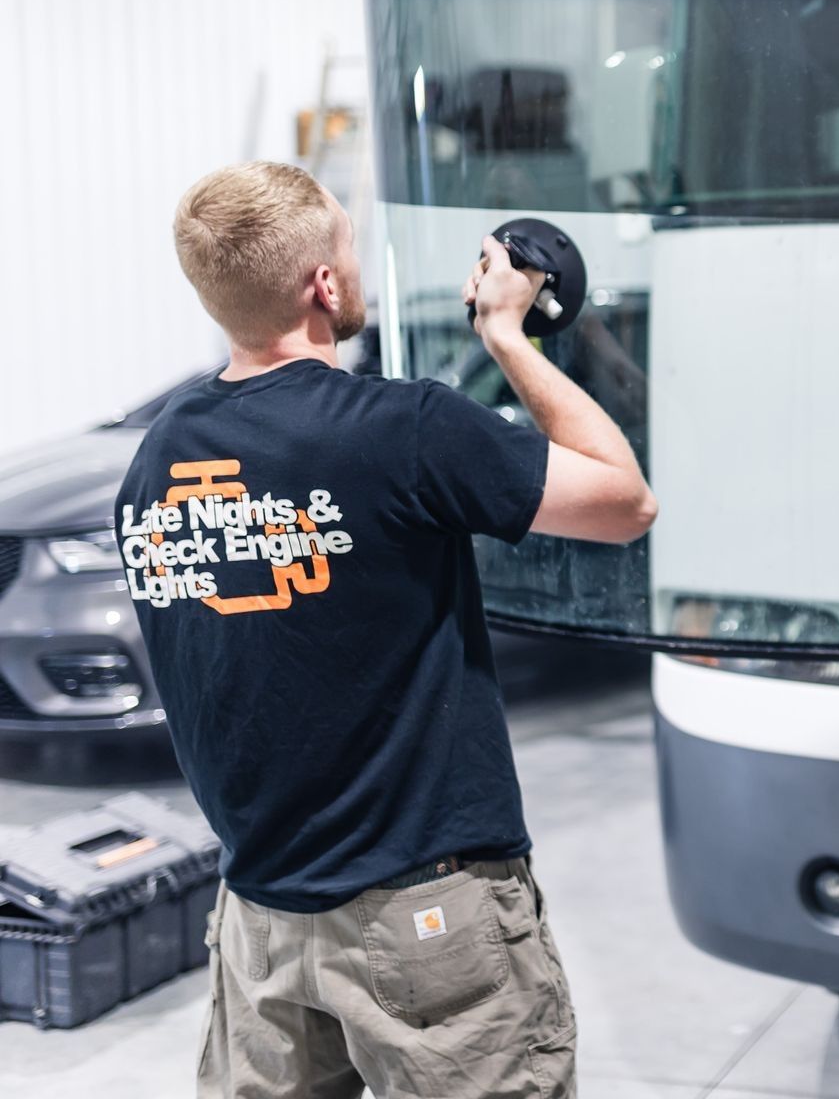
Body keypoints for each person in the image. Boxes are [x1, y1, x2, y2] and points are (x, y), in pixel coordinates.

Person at [115, 160, 655, 1098]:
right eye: (348, 247)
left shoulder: (157, 458)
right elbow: (623, 502)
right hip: (423, 916)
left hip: (258, 925)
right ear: (324, 285)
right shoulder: (398, 429)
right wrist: (507, 335)